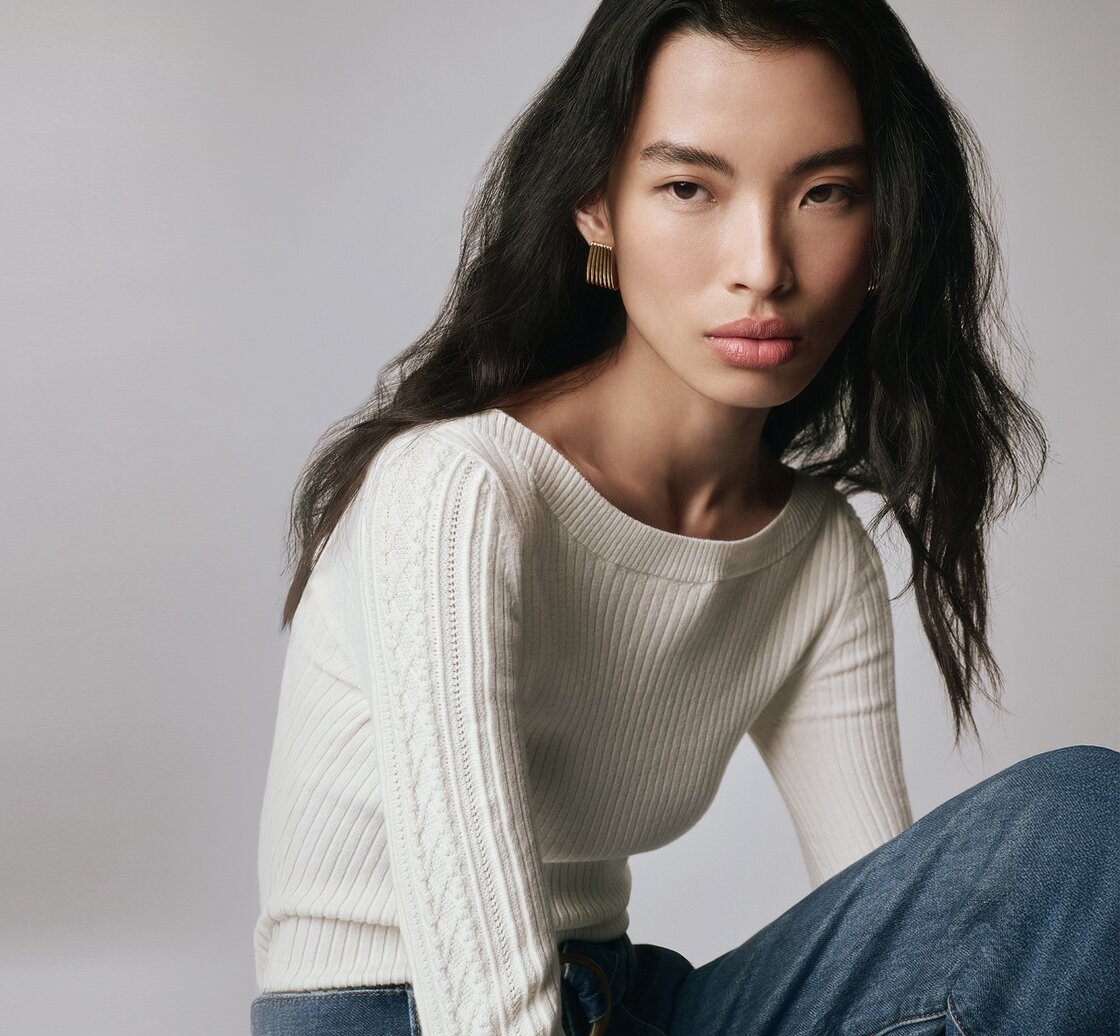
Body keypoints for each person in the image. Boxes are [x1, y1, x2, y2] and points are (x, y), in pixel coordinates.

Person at [249, 1, 1116, 1034]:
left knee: (1083, 826)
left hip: (630, 1002)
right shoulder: (455, 491)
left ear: (886, 226)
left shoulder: (813, 556)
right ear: (595, 206)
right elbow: (485, 1008)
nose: (762, 266)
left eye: (825, 193)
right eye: (689, 187)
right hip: (406, 1013)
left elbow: (903, 938)